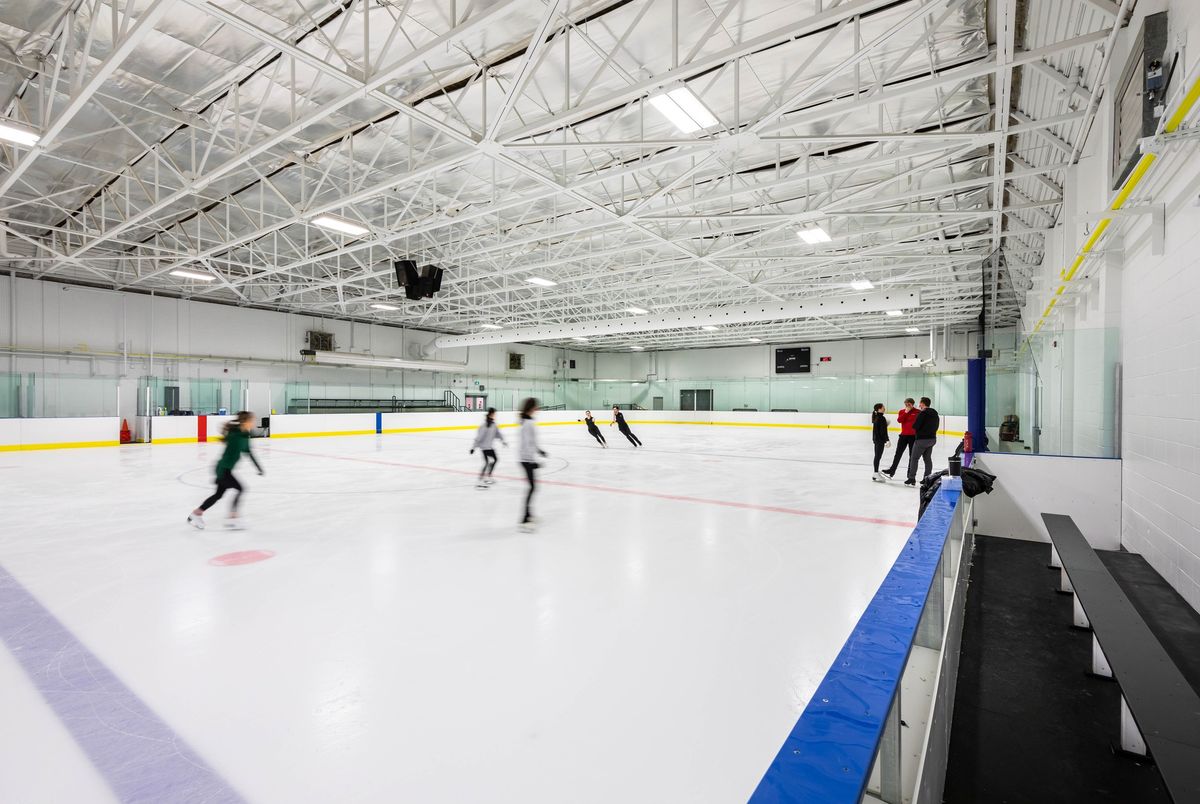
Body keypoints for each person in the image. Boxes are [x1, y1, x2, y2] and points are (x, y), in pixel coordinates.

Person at [188, 411, 263, 530]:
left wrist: (258, 467)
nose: (253, 423)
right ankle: (232, 519)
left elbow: (248, 452)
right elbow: (229, 438)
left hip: (225, 468)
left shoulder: (245, 434)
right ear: (246, 422)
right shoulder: (236, 435)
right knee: (241, 488)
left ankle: (196, 514)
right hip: (223, 469)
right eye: (252, 421)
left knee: (218, 495)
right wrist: (229, 433)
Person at [518, 397, 548, 531]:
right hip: (526, 459)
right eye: (536, 406)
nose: (538, 408)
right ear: (532, 407)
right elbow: (527, 444)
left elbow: (532, 442)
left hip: (526, 458)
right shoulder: (528, 423)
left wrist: (539, 451)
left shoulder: (527, 421)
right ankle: (524, 520)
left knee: (532, 487)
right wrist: (533, 462)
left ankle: (528, 515)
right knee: (532, 488)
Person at [905, 396, 940, 487]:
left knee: (914, 458)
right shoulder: (934, 413)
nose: (919, 405)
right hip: (932, 439)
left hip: (921, 440)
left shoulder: (922, 413)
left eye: (920, 403)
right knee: (927, 459)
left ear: (923, 404)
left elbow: (916, 426)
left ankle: (911, 478)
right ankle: (927, 478)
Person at [470, 407, 506, 488]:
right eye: (494, 414)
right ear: (491, 414)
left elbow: (498, 433)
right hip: (484, 447)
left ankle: (488, 476)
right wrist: (473, 447)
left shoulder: (493, 424)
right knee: (486, 462)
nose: (495, 415)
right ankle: (480, 480)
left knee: (495, 459)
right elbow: (479, 437)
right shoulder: (484, 425)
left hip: (489, 447)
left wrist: (503, 441)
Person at [882, 398, 917, 479]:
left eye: (908, 404)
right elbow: (899, 420)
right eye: (905, 404)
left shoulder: (917, 412)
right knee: (898, 454)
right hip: (903, 436)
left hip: (913, 437)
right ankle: (892, 470)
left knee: (912, 456)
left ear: (912, 404)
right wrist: (906, 412)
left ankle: (910, 474)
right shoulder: (902, 411)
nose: (907, 406)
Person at [871, 403, 890, 482]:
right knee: (878, 456)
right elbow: (883, 432)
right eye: (883, 407)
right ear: (879, 409)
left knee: (877, 456)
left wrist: (885, 425)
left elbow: (878, 429)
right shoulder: (881, 418)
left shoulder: (877, 417)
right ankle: (875, 472)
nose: (884, 408)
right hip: (879, 440)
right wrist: (887, 440)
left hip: (876, 439)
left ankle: (876, 471)